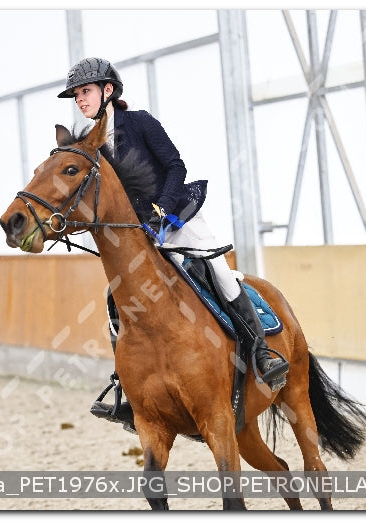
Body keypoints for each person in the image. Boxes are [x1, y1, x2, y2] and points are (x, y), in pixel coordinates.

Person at [58, 57, 289, 427]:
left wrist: (162, 209)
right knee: (116, 299)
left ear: (108, 91)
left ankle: (263, 354)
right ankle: (127, 390)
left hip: (178, 217)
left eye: (84, 92)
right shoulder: (92, 145)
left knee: (219, 273)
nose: (79, 100)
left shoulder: (141, 123)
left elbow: (175, 166)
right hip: (142, 234)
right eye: (75, 95)